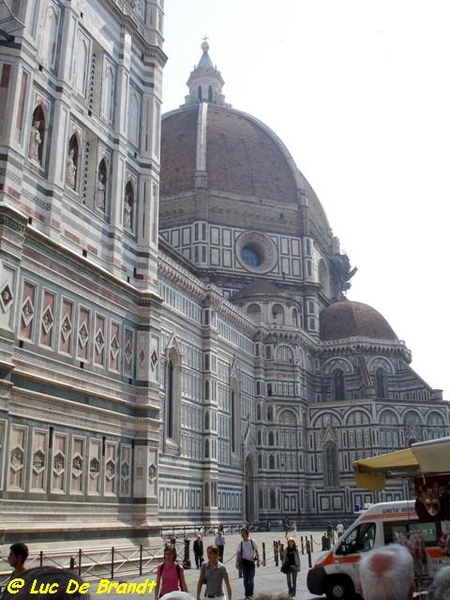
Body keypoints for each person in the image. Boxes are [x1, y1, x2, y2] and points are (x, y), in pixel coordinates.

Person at [236, 526, 260, 600]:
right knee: (245, 580)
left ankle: (250, 594)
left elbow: (256, 551)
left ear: (247, 534)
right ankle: (247, 594)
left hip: (251, 563)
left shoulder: (252, 541)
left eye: (243, 533)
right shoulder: (240, 543)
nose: (242, 535)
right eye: (241, 533)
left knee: (250, 579)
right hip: (244, 563)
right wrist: (237, 562)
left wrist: (258, 560)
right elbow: (238, 553)